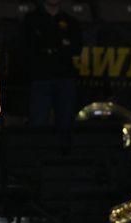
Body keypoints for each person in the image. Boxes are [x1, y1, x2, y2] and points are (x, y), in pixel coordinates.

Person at [23, 0, 82, 131]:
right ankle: (40, 151)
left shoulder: (70, 21)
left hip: (65, 78)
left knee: (66, 125)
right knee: (38, 125)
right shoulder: (31, 19)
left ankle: (65, 152)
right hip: (40, 79)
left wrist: (51, 46)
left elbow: (76, 48)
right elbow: (29, 48)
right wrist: (61, 44)